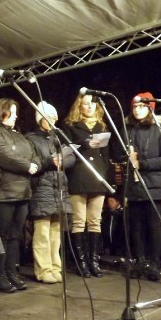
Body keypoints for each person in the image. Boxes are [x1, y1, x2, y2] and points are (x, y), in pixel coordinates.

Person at [0, 98, 41, 293]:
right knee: (0, 235)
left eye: (15, 113)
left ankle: (12, 271)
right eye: (11, 112)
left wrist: (34, 164)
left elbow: (34, 155)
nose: (15, 116)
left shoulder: (19, 135)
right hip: (1, 191)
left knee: (15, 236)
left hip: (22, 191)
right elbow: (3, 154)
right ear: (1, 112)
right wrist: (26, 165)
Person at [114, 92, 161, 281]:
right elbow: (118, 153)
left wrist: (143, 163)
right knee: (136, 225)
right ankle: (139, 261)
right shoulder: (127, 130)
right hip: (134, 185)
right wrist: (126, 158)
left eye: (141, 106)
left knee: (153, 225)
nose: (137, 110)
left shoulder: (159, 129)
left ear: (150, 108)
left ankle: (153, 263)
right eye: (134, 106)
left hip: (154, 184)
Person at [62, 92, 110, 278]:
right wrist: (85, 143)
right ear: (79, 106)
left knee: (95, 221)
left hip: (98, 177)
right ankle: (81, 262)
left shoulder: (102, 126)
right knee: (79, 221)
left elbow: (106, 156)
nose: (89, 107)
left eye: (92, 104)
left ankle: (94, 261)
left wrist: (107, 178)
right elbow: (68, 149)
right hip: (79, 176)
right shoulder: (71, 126)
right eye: (85, 103)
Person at [26, 102, 74, 284]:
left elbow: (72, 157)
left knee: (56, 232)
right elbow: (32, 162)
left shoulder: (58, 137)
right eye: (49, 117)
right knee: (42, 232)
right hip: (42, 187)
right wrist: (50, 162)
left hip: (59, 186)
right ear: (40, 119)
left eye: (54, 117)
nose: (53, 120)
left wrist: (63, 161)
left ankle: (55, 267)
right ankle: (43, 269)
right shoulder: (31, 138)